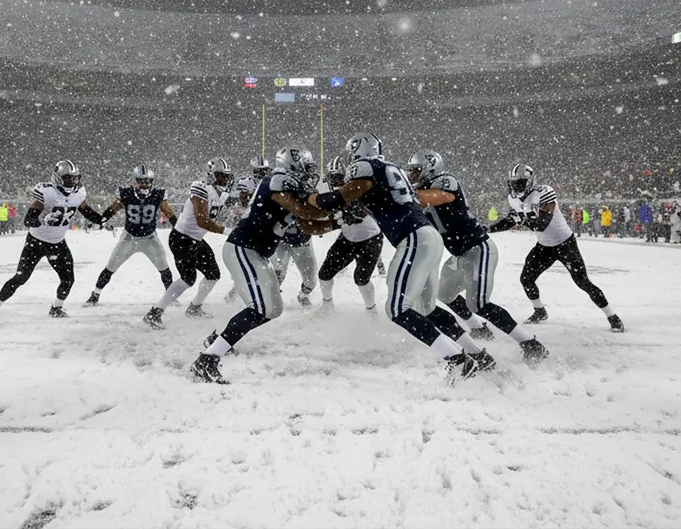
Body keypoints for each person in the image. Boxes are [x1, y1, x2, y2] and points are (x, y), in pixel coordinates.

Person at [308, 133, 490, 380]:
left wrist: (309, 199)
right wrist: (341, 217)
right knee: (426, 308)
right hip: (428, 236)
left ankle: (458, 360)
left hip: (413, 238)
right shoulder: (391, 170)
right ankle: (477, 354)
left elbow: (338, 197)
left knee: (397, 309)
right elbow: (372, 205)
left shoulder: (366, 167)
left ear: (356, 152)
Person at [192, 148, 340, 384]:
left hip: (257, 253)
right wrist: (336, 207)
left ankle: (217, 339)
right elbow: (302, 210)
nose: (312, 173)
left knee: (271, 309)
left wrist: (337, 222)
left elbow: (309, 226)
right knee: (261, 308)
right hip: (243, 248)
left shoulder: (291, 189)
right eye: (308, 167)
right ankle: (207, 359)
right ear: (294, 167)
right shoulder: (277, 180)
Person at [409, 149, 548, 361]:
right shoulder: (421, 192)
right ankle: (478, 328)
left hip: (478, 248)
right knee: (444, 295)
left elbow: (438, 197)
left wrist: (402, 194)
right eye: (411, 172)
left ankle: (530, 343)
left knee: (478, 303)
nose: (413, 176)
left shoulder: (445, 181)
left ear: (430, 168)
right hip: (459, 254)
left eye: (417, 171)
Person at [0, 160, 104, 326]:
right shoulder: (46, 192)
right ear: (58, 178)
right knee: (20, 277)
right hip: (36, 242)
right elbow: (28, 219)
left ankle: (56, 308)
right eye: (68, 178)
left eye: (75, 178)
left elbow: (86, 211)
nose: (72, 182)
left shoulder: (78, 193)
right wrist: (42, 219)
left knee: (68, 280)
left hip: (58, 243)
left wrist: (101, 220)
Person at [506, 164, 624, 332]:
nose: (516, 187)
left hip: (564, 244)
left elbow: (542, 225)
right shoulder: (514, 199)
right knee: (526, 278)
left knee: (582, 282)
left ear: (530, 182)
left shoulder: (544, 193)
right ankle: (540, 311)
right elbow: (510, 221)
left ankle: (612, 316)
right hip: (544, 246)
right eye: (514, 183)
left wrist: (521, 220)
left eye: (520, 183)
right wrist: (485, 229)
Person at [143, 158, 233, 329]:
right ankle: (155, 313)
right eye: (221, 176)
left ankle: (194, 308)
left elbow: (237, 205)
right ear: (212, 175)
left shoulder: (222, 193)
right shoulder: (201, 187)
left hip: (196, 239)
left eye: (227, 177)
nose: (225, 180)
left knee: (213, 274)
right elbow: (202, 221)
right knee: (187, 279)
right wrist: (228, 231)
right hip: (182, 239)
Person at [86, 164, 176, 305]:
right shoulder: (126, 193)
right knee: (111, 266)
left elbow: (168, 212)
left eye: (146, 181)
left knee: (164, 267)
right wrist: (102, 219)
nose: (144, 184)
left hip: (150, 237)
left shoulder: (158, 194)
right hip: (129, 237)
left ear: (151, 182)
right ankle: (95, 295)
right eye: (140, 181)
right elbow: (113, 208)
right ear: (135, 181)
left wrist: (177, 226)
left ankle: (170, 297)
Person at [317, 155, 384, 312]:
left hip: (370, 238)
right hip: (348, 238)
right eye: (332, 177)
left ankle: (371, 311)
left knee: (361, 279)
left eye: (339, 177)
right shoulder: (329, 190)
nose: (335, 181)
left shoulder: (361, 186)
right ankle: (327, 305)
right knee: (324, 274)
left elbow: (368, 210)